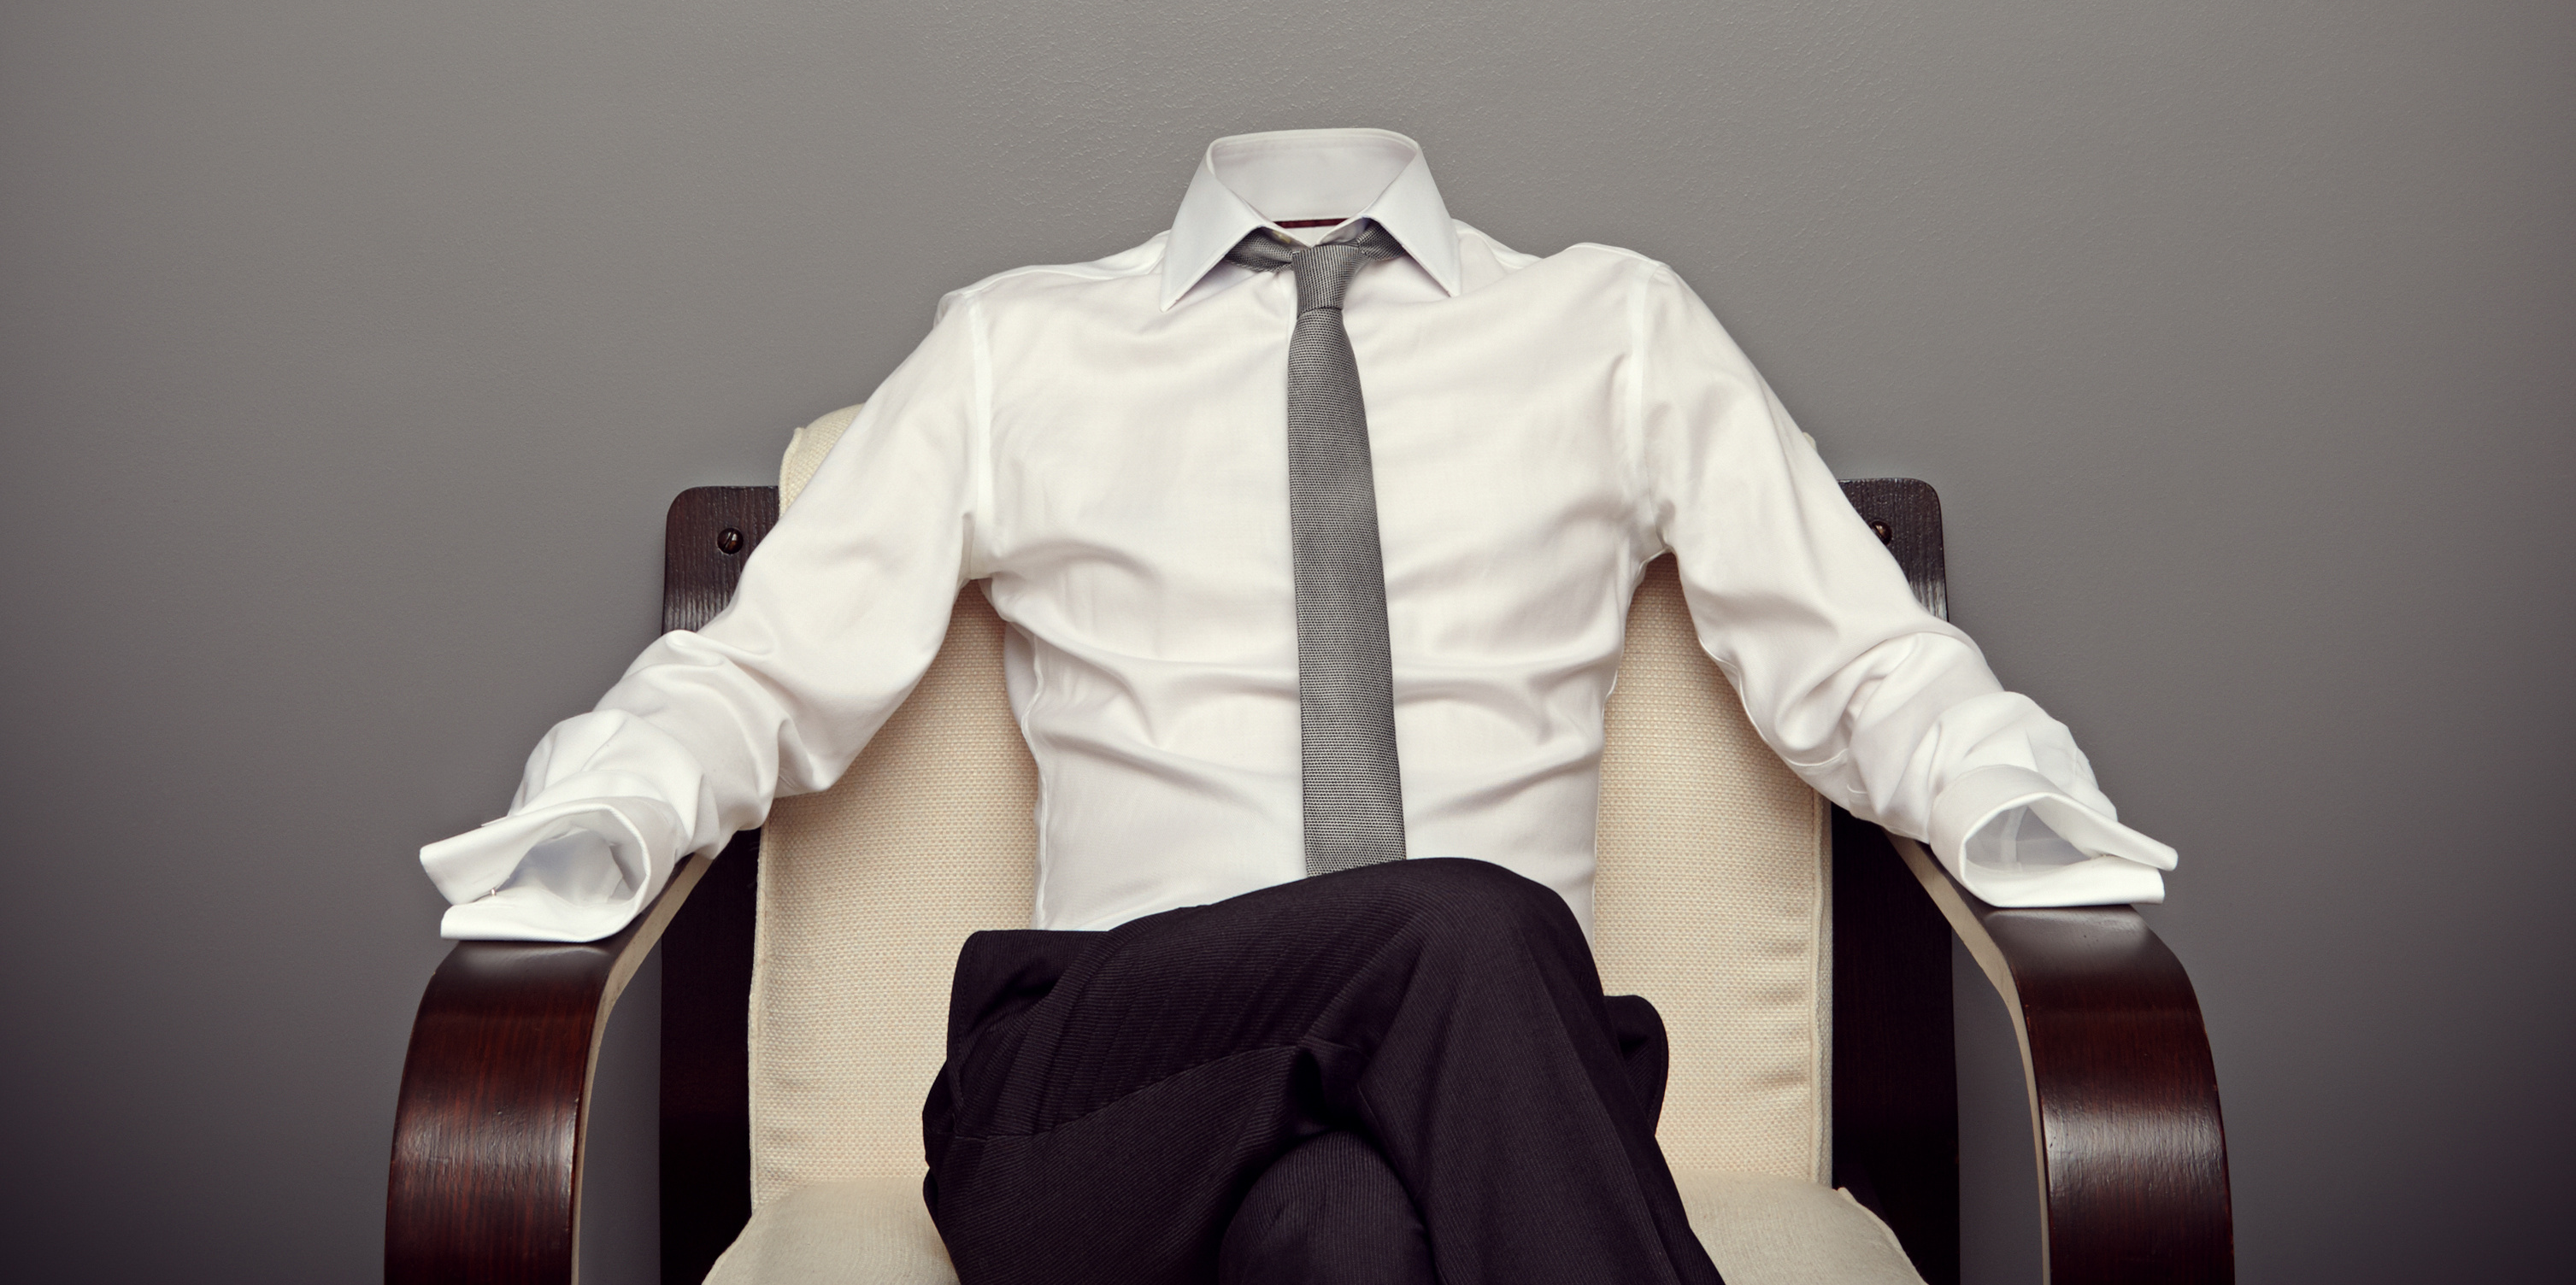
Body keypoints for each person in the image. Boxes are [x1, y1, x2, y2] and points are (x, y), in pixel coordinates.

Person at [423, 128, 2174, 1285]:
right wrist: (598, 821)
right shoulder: (1021, 345)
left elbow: (1861, 655)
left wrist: (2013, 807)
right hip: (1098, 1077)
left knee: (1342, 1234)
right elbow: (760, 665)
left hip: (1494, 1093)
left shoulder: (1612, 326)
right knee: (1463, 924)